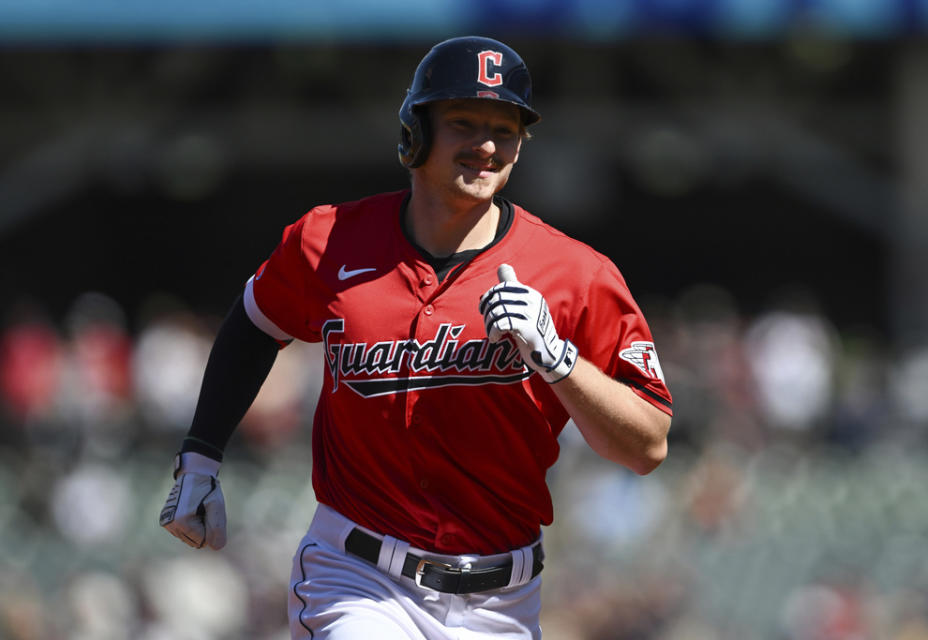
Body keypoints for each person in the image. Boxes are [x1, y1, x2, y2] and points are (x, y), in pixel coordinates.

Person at [159, 35, 672, 639]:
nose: (485, 145)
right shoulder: (329, 239)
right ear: (416, 132)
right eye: (463, 122)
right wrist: (201, 454)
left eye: (504, 130)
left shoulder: (576, 274)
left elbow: (648, 446)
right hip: (358, 577)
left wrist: (559, 361)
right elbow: (253, 323)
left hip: (502, 603)